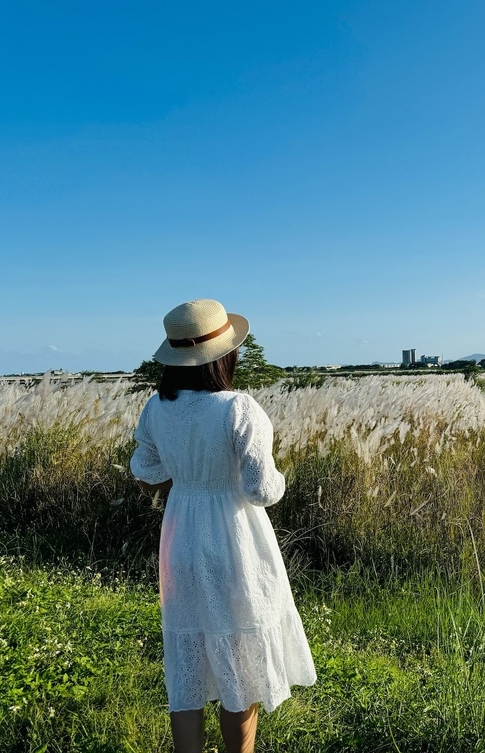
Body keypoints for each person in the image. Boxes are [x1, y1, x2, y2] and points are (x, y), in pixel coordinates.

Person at [130, 299, 317, 753]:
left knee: (187, 658)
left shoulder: (157, 407)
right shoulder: (239, 407)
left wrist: (188, 471)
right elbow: (260, 490)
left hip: (180, 534)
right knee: (240, 660)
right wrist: (279, 477)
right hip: (234, 537)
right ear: (223, 355)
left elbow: (145, 468)